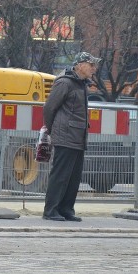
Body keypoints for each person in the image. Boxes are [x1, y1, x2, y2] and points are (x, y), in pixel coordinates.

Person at [42, 51, 102, 222]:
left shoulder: (82, 84)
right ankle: (51, 210)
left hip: (78, 136)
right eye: (91, 65)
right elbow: (49, 108)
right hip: (65, 135)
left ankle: (66, 209)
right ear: (80, 65)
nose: (94, 68)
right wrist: (52, 130)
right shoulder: (65, 83)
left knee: (73, 177)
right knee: (60, 175)